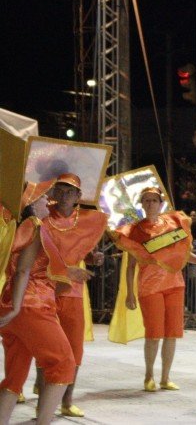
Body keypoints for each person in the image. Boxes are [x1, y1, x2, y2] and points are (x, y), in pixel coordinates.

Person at [0, 180, 92, 425]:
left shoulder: (17, 226)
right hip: (31, 305)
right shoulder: (34, 226)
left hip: (12, 304)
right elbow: (23, 271)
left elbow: (33, 269)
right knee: (64, 365)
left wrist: (13, 307)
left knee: (14, 378)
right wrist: (19, 307)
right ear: (30, 203)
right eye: (42, 198)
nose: (47, 201)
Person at [110, 187, 196, 391]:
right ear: (141, 204)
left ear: (161, 204)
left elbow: (184, 254)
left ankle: (165, 377)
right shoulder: (135, 231)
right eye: (147, 200)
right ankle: (149, 375)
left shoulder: (173, 224)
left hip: (175, 285)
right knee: (153, 334)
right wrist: (130, 294)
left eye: (154, 200)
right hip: (150, 287)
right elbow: (131, 265)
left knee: (172, 334)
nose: (150, 203)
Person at [31, 173, 108, 417]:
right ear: (52, 193)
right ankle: (44, 401)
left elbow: (83, 251)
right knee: (48, 349)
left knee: (74, 349)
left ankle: (67, 400)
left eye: (70, 191)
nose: (64, 195)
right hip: (45, 291)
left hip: (73, 293)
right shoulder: (40, 217)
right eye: (60, 190)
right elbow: (34, 256)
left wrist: (93, 258)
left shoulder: (84, 220)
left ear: (78, 197)